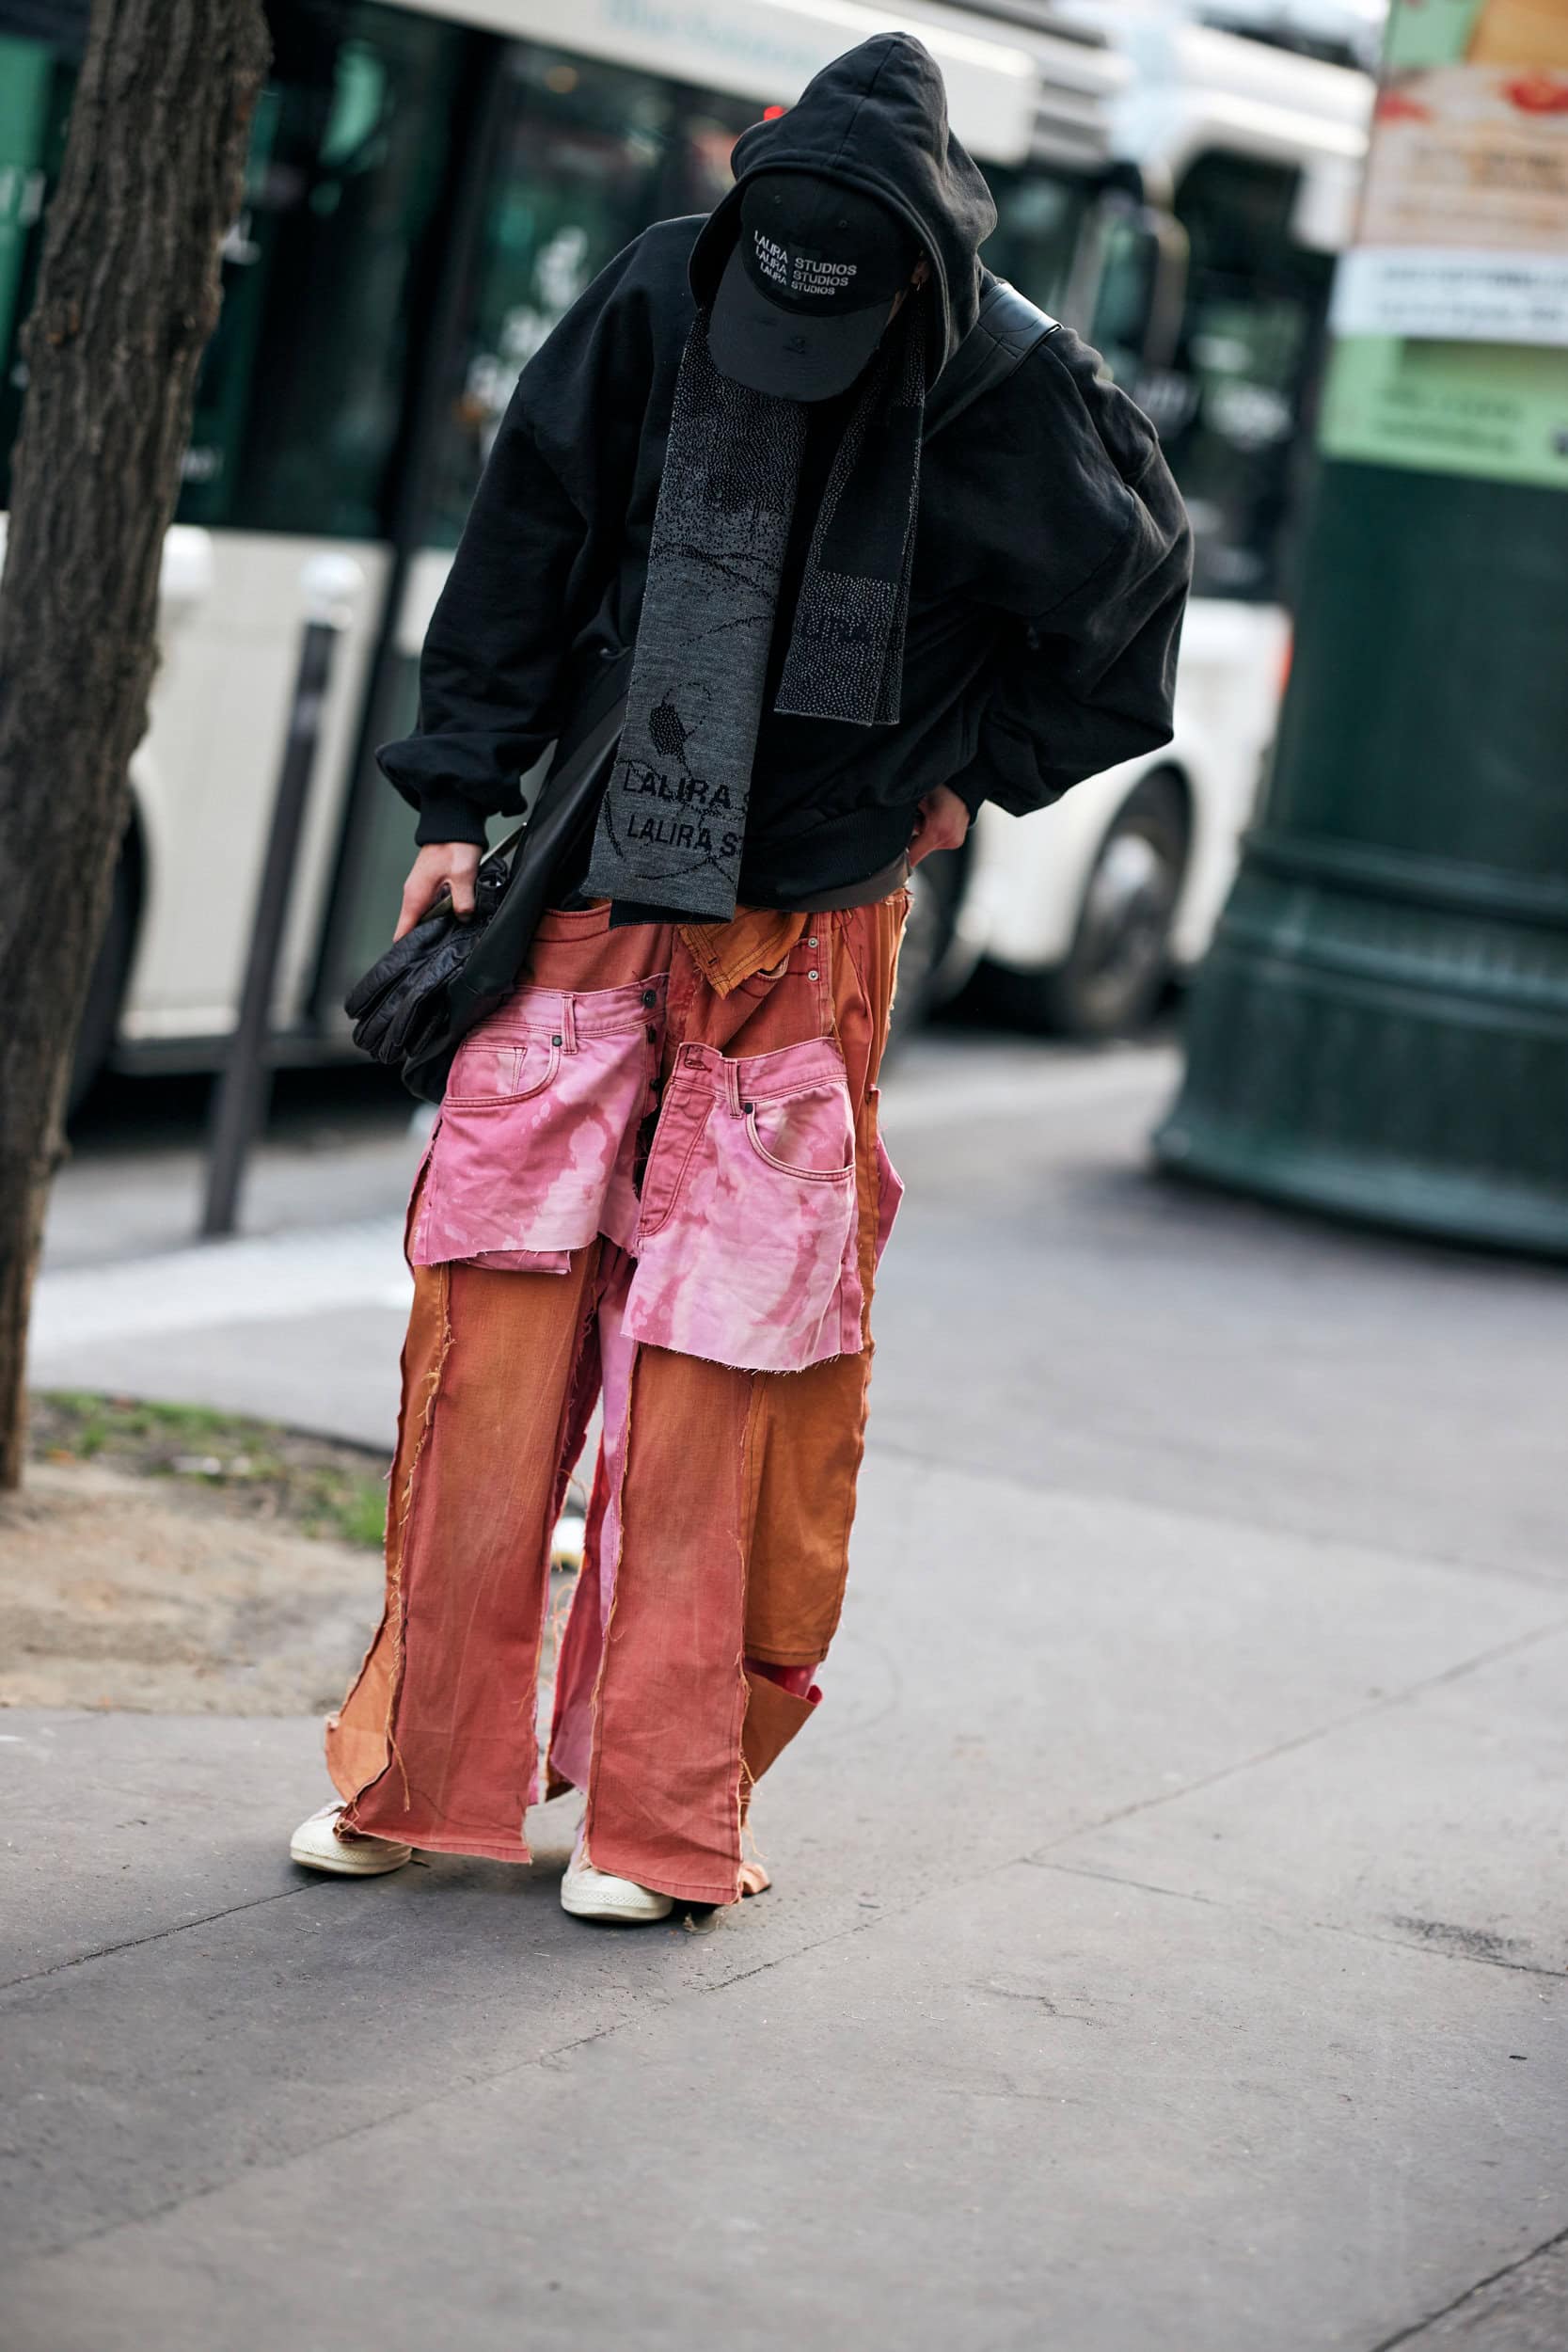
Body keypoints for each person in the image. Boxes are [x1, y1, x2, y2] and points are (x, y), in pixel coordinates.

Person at [290, 33, 1191, 1920]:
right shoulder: (657, 292)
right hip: (598, 871)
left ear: (918, 290)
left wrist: (965, 772)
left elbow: (1125, 629)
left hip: (817, 921)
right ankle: (422, 1769)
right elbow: (527, 537)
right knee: (492, 1317)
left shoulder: (1016, 384)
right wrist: (457, 794)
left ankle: (657, 1811)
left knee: (730, 1359)